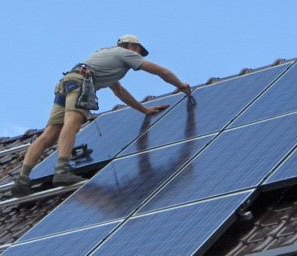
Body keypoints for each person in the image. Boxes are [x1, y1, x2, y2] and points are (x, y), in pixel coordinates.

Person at [11, 34, 191, 197]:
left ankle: (22, 179)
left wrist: (144, 110)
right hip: (81, 83)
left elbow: (120, 92)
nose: (139, 55)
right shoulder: (124, 53)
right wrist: (181, 85)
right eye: (138, 50)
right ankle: (62, 170)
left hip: (67, 83)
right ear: (130, 46)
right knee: (72, 123)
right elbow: (162, 71)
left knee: (49, 135)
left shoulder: (106, 56)